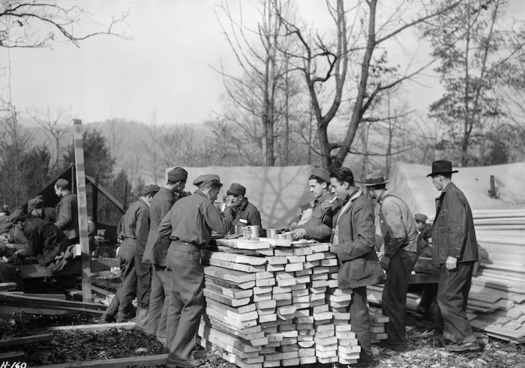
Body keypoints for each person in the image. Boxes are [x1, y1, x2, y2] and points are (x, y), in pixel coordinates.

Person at [159, 174, 237, 368]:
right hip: (188, 255)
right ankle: (180, 356)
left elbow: (163, 229)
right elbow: (222, 227)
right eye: (215, 194)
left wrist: (184, 234)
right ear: (210, 189)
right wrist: (228, 210)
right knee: (193, 304)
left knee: (176, 303)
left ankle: (171, 349)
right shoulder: (204, 203)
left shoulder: (180, 202)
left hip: (173, 252)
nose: (214, 198)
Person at [325, 167, 384, 367]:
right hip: (350, 264)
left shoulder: (361, 205)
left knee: (358, 314)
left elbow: (367, 241)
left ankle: (364, 359)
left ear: (346, 185)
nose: (332, 190)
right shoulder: (347, 203)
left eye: (334, 186)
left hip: (358, 266)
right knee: (351, 312)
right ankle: (352, 355)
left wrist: (338, 249)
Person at [428, 160, 480, 352]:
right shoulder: (451, 194)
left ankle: (466, 340)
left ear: (439, 178)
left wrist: (453, 255)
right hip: (461, 257)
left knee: (448, 298)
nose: (433, 183)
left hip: (457, 257)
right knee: (452, 297)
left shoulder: (451, 195)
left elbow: (457, 227)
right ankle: (452, 337)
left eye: (433, 180)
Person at [364, 169, 418, 352]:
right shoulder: (391, 200)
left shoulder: (388, 204)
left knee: (393, 298)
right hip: (404, 252)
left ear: (371, 189)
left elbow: (398, 236)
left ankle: (397, 341)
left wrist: (386, 257)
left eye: (368, 190)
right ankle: (395, 338)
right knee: (393, 296)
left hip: (402, 254)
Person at [100, 184, 160, 323]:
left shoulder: (133, 206)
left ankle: (109, 313)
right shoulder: (145, 209)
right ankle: (123, 315)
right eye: (156, 198)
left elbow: (120, 227)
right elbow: (142, 234)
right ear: (150, 197)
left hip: (125, 245)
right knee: (129, 285)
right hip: (134, 247)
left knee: (125, 283)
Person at [142, 167, 188, 342]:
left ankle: (152, 329)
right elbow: (168, 227)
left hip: (155, 249)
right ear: (178, 183)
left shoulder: (160, 196)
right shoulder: (166, 200)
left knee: (157, 292)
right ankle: (163, 334)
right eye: (183, 184)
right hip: (162, 251)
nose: (183, 188)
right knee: (172, 293)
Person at [291, 168, 335, 242]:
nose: (311, 190)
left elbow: (327, 229)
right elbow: (311, 223)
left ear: (324, 185)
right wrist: (295, 229)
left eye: (313, 186)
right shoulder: (319, 202)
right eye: (310, 187)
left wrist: (305, 232)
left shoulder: (330, 202)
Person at [54, 179, 79, 244]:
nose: (55, 192)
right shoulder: (74, 197)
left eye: (56, 190)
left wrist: (53, 226)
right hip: (74, 233)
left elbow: (66, 219)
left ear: (60, 188)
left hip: (69, 235)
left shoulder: (66, 200)